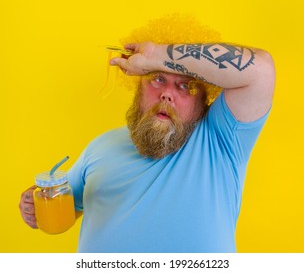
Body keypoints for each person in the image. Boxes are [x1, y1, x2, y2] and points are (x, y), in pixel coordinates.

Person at [19, 16, 275, 252]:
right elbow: (64, 205)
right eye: (157, 79)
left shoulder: (220, 140)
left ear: (205, 100)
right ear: (137, 86)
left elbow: (260, 70)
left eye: (185, 85)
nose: (167, 94)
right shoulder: (100, 146)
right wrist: (35, 205)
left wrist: (155, 56)